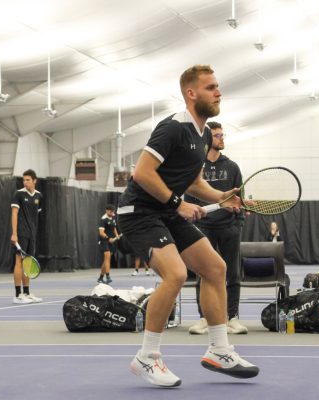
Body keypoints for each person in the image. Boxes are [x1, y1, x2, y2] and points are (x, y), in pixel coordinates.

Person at [117, 65, 259, 387]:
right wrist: (177, 205)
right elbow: (142, 174)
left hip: (165, 212)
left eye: (218, 86)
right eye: (211, 87)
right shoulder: (173, 128)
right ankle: (146, 358)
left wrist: (223, 196)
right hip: (138, 213)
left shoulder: (204, 134)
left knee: (215, 267)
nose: (218, 92)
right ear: (191, 93)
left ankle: (219, 350)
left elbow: (194, 182)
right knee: (177, 274)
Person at [184, 121, 247, 335]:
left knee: (233, 273)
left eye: (223, 135)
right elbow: (189, 198)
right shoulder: (195, 166)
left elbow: (241, 199)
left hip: (229, 227)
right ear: (209, 139)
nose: (222, 139)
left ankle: (232, 318)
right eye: (218, 135)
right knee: (203, 272)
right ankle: (204, 319)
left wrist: (237, 223)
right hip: (203, 228)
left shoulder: (232, 167)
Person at [10, 169, 43, 304]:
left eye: (28, 180)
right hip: (21, 233)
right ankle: (18, 295)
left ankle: (27, 293)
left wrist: (34, 232)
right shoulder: (18, 194)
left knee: (28, 264)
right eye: (24, 180)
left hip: (32, 234)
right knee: (19, 262)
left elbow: (36, 215)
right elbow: (14, 214)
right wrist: (14, 234)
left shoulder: (39, 196)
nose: (25, 182)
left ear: (35, 181)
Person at [97, 204, 119, 284]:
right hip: (104, 240)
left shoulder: (113, 217)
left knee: (106, 260)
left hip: (111, 241)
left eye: (113, 211)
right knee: (107, 257)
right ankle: (108, 276)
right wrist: (108, 238)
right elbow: (101, 233)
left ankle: (100, 278)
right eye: (110, 211)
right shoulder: (103, 219)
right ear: (106, 210)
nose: (112, 212)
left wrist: (116, 235)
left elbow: (114, 228)